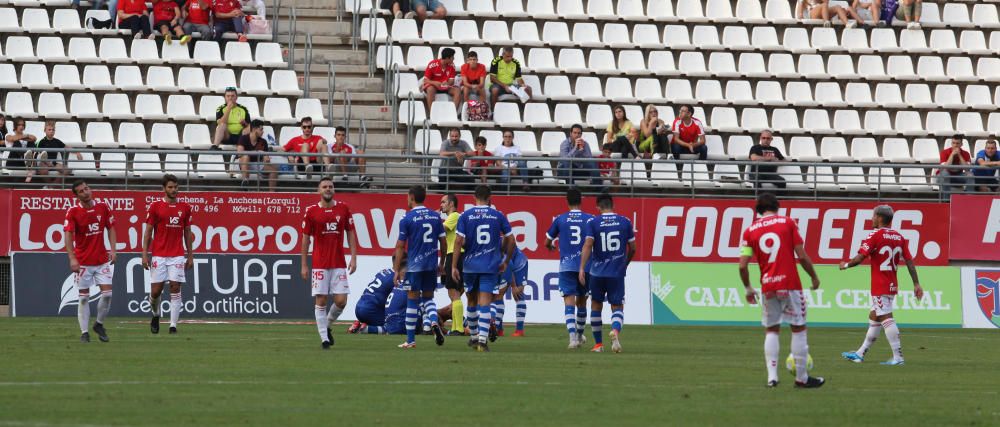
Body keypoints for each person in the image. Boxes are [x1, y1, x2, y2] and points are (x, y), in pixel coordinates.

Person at [738, 193, 824, 388]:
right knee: (798, 328)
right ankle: (802, 378)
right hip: (790, 284)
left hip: (768, 285)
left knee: (772, 330)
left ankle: (772, 378)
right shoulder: (788, 223)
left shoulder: (749, 231)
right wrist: (814, 276)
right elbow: (801, 256)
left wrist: (748, 288)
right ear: (777, 206)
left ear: (757, 210)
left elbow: (742, 266)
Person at [840, 205, 924, 366]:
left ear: (879, 217)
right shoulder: (899, 237)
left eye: (873, 216)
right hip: (891, 284)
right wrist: (916, 283)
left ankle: (898, 358)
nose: (872, 219)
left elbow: (859, 258)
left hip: (879, 285)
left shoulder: (874, 235)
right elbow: (909, 262)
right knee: (874, 317)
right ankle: (860, 353)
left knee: (886, 318)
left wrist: (845, 265)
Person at [451, 185, 514, 352]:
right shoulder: (498, 215)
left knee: (471, 301)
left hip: (470, 266)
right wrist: (505, 259)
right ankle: (482, 340)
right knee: (485, 301)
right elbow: (511, 240)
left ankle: (473, 337)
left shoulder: (465, 215)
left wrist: (453, 266)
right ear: (490, 197)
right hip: (490, 265)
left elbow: (458, 241)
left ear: (474, 197)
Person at [301, 177, 359, 349]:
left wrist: (354, 257)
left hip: (338, 262)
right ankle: (325, 339)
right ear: (319, 191)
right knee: (322, 299)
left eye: (330, 186)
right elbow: (305, 240)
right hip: (319, 263)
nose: (328, 189)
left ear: (334, 190)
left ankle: (326, 324)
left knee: (341, 301)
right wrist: (304, 264)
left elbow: (350, 233)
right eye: (324, 186)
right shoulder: (311, 211)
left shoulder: (343, 208)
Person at [578, 192, 635, 354]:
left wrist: (582, 267)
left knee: (596, 305)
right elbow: (633, 248)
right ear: (613, 205)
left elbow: (588, 245)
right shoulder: (625, 222)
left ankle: (598, 345)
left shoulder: (593, 222)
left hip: (596, 273)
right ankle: (615, 332)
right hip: (616, 272)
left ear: (598, 207)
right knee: (617, 306)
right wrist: (625, 264)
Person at [394, 185, 448, 348]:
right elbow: (443, 242)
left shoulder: (407, 218)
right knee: (428, 298)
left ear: (411, 197)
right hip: (431, 265)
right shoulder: (434, 216)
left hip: (414, 267)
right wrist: (441, 263)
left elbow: (400, 246)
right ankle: (433, 321)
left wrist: (397, 270)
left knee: (412, 301)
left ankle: (410, 340)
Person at [64, 180, 117, 343]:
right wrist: (72, 257)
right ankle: (84, 332)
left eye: (86, 188)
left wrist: (113, 250)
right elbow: (68, 235)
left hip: (101, 260)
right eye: (81, 191)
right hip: (83, 262)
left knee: (107, 294)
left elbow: (111, 228)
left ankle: (99, 324)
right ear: (77, 196)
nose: (86, 192)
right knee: (83, 298)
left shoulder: (103, 207)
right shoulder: (72, 212)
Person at [141, 174, 194, 335]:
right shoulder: (155, 207)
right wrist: (144, 254)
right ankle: (156, 314)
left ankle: (173, 326)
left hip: (177, 254)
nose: (174, 190)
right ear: (163, 189)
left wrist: (190, 255)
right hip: (159, 254)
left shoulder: (185, 207)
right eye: (170, 187)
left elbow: (187, 232)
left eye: (176, 187)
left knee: (175, 287)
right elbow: (148, 232)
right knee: (156, 291)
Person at [545, 188, 595, 348]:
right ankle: (580, 335)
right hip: (586, 266)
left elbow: (547, 241)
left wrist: (551, 247)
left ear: (567, 201)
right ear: (581, 201)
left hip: (566, 266)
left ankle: (572, 338)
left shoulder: (560, 219)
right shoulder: (590, 219)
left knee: (569, 303)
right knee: (582, 303)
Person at [350, 264, 407, 335]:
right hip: (371, 311)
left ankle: (359, 326)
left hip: (358, 307)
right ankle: (366, 329)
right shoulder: (395, 278)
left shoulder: (384, 271)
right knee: (393, 326)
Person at [439, 194, 465, 335]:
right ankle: (456, 327)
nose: (441, 205)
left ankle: (458, 328)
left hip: (454, 255)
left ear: (451, 204)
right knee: (453, 294)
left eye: (443, 202)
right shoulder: (454, 217)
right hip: (457, 255)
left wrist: (434, 218)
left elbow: (440, 230)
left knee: (454, 293)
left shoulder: (454, 216)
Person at [25, 121, 82, 185]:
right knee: (43, 171)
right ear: (45, 131)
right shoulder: (41, 142)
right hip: (44, 163)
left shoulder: (57, 141)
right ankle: (50, 185)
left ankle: (52, 186)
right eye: (49, 130)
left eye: (53, 130)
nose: (51, 131)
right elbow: (34, 153)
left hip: (53, 163)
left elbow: (67, 147)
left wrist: (77, 152)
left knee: (67, 170)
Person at [494, 245, 528, 337]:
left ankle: (520, 330)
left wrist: (513, 286)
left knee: (517, 293)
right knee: (496, 295)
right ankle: (499, 329)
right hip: (504, 262)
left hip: (518, 261)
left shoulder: (497, 248)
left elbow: (509, 266)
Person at [236, 119, 277, 191]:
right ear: (254, 129)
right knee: (246, 156)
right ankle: (245, 182)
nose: (263, 131)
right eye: (261, 129)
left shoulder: (263, 141)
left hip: (257, 163)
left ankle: (271, 194)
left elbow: (265, 156)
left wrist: (266, 159)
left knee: (273, 170)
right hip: (243, 163)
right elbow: (240, 153)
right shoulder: (244, 138)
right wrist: (257, 151)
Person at [489, 47, 532, 112]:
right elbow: (492, 78)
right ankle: (494, 112)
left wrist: (522, 85)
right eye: (507, 56)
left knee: (528, 89)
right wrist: (505, 86)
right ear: (503, 54)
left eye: (511, 56)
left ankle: (527, 111)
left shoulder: (516, 63)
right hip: (498, 85)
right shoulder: (496, 61)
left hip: (511, 86)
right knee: (495, 90)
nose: (509, 58)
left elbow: (519, 79)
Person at [422, 48, 460, 113]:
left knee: (457, 91)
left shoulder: (452, 66)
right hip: (434, 86)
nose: (453, 59)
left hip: (445, 87)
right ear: (447, 58)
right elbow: (425, 80)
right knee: (430, 89)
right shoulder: (433, 64)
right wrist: (435, 83)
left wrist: (447, 83)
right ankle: (432, 114)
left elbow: (451, 81)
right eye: (452, 57)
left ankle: (452, 113)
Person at [936, 135, 974, 201]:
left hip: (958, 176)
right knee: (945, 174)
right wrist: (952, 155)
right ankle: (946, 201)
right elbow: (945, 168)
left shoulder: (966, 153)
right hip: (942, 176)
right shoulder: (944, 152)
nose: (955, 145)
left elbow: (967, 169)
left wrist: (959, 155)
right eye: (953, 143)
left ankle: (969, 200)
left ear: (961, 144)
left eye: (957, 143)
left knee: (970, 175)